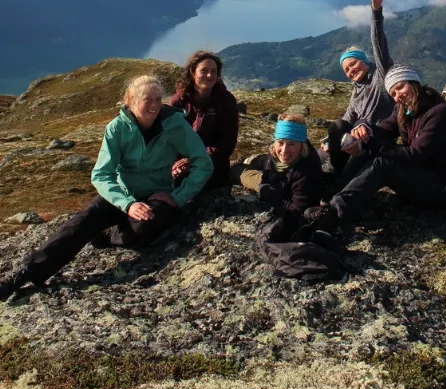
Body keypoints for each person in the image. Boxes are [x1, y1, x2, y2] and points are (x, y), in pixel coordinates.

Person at [0, 75, 214, 300]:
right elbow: (102, 174)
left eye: (158, 99)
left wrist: (179, 197)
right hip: (122, 193)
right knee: (81, 223)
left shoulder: (175, 124)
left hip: (156, 192)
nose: (154, 105)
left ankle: (110, 235)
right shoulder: (117, 128)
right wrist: (128, 204)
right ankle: (24, 274)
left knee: (145, 227)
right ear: (130, 100)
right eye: (147, 99)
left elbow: (203, 162)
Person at [306, 65, 446, 228]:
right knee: (367, 144)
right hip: (419, 174)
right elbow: (382, 129)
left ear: (413, 82)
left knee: (382, 164)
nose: (398, 96)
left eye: (400, 87)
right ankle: (335, 195)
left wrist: (374, 144)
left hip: (439, 187)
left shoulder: (438, 113)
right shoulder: (404, 109)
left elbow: (416, 155)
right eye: (393, 93)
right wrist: (362, 127)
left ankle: (334, 214)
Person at [322, 0, 395, 176]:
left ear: (365, 61)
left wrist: (376, 9)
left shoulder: (382, 75)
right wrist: (330, 141)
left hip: (377, 140)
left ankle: (335, 172)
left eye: (353, 63)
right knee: (315, 153)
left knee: (338, 176)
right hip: (356, 138)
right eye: (346, 69)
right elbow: (347, 119)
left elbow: (379, 44)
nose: (350, 70)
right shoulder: (356, 93)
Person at [229, 113, 323, 225]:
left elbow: (297, 211)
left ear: (302, 145)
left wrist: (270, 194)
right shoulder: (276, 154)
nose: (284, 150)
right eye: (280, 143)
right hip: (275, 175)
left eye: (292, 144)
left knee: (237, 170)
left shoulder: (306, 172)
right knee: (257, 161)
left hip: (278, 189)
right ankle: (250, 160)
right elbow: (270, 159)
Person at [170, 51, 239, 190]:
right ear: (192, 71)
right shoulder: (178, 101)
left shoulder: (226, 101)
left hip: (212, 165)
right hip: (181, 165)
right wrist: (175, 164)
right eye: (204, 71)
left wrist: (195, 160)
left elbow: (227, 143)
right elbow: (170, 138)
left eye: (214, 71)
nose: (209, 75)